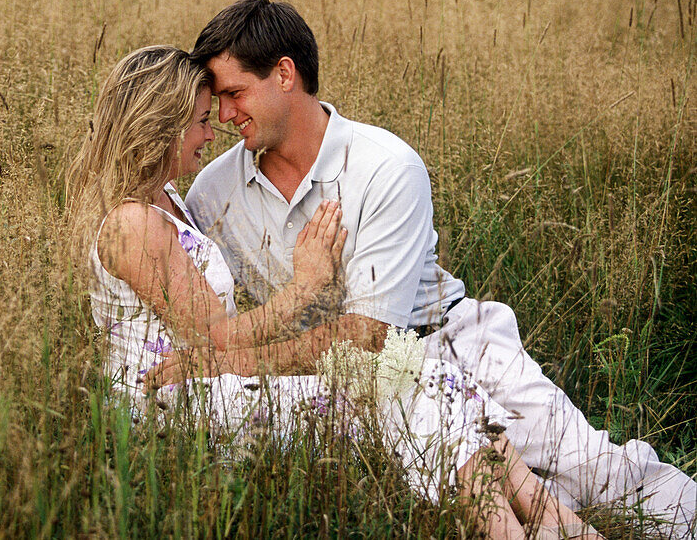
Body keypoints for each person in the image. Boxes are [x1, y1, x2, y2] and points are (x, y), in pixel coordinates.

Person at [160, 0, 695, 537]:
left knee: (592, 470)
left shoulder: (384, 165)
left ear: (284, 74)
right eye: (219, 101)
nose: (224, 116)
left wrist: (226, 364)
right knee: (468, 499)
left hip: (449, 341)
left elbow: (370, 336)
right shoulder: (214, 191)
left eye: (234, 94)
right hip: (335, 383)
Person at [67, 44, 602, 539]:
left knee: (425, 375)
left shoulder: (164, 199)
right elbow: (214, 335)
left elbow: (212, 339)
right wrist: (303, 287)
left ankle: (559, 529)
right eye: (202, 121)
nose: (213, 133)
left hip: (208, 380)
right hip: (175, 402)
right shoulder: (132, 223)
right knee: (411, 385)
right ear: (162, 127)